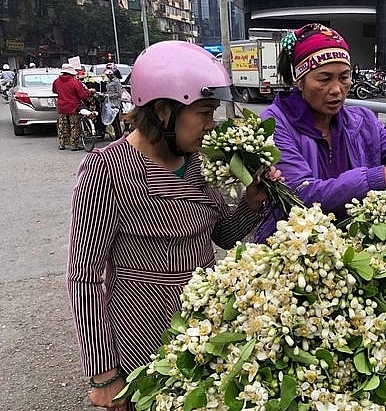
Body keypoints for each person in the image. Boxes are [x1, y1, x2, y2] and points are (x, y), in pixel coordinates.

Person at [66, 40, 276, 411]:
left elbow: (221, 234)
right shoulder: (109, 168)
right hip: (141, 338)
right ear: (164, 111)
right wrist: (103, 374)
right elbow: (85, 276)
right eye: (204, 113)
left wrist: (252, 201)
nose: (211, 126)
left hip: (203, 331)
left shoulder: (194, 162)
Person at [253, 23, 386, 243]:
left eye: (344, 77)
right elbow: (300, 192)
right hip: (294, 247)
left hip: (353, 244)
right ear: (300, 80)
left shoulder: (362, 120)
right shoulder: (275, 124)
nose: (337, 89)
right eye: (324, 79)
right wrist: (377, 177)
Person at [52, 63, 96, 150]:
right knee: (75, 126)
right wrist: (90, 92)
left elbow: (54, 90)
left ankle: (62, 144)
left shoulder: (56, 81)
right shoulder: (75, 82)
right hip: (73, 107)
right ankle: (74, 145)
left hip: (61, 107)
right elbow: (82, 95)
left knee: (62, 126)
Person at [103, 68, 123, 139]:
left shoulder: (116, 82)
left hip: (115, 103)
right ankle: (119, 135)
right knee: (115, 120)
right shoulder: (109, 82)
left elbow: (119, 94)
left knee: (115, 120)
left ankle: (118, 136)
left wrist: (109, 96)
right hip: (110, 103)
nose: (108, 76)